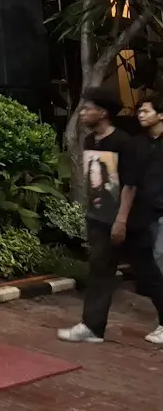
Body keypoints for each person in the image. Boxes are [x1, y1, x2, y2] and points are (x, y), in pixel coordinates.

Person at [58, 89, 163, 345]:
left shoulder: (123, 143)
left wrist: (121, 220)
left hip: (127, 221)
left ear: (103, 113)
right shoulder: (90, 141)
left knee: (147, 274)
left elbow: (130, 185)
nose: (82, 113)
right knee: (99, 271)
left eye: (87, 109)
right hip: (99, 218)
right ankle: (92, 327)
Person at [141, 99, 163, 284]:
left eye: (146, 111)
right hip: (147, 210)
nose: (141, 115)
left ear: (160, 115)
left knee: (159, 254)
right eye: (139, 111)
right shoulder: (139, 143)